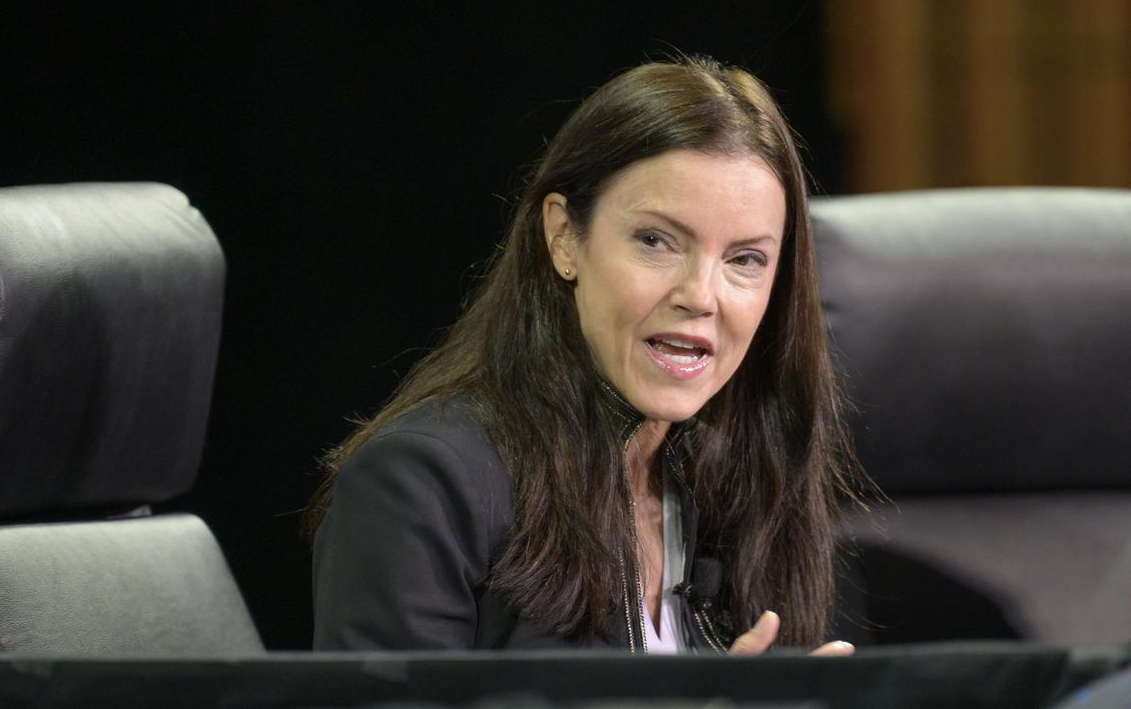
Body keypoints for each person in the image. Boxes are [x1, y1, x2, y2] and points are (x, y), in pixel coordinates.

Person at [307, 55, 862, 654]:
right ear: (564, 237)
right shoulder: (423, 485)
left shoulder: (748, 481)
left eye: (745, 260)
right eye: (656, 242)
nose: (702, 297)